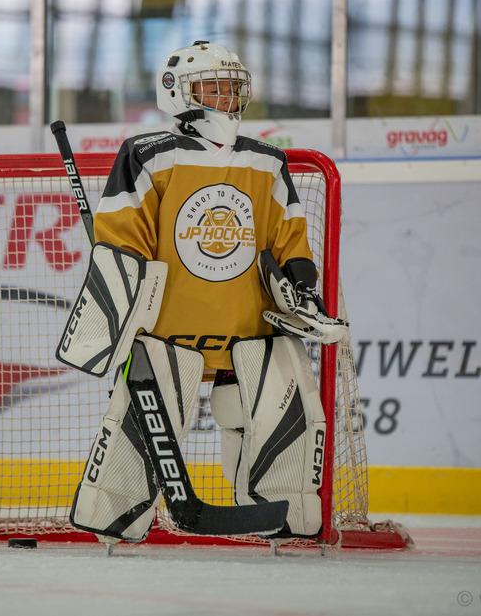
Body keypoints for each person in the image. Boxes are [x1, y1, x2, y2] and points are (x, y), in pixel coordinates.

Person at [57, 41, 347, 546]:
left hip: (249, 333)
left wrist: (303, 291)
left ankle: (286, 522)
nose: (225, 99)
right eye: (212, 88)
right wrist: (119, 311)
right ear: (177, 92)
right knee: (137, 429)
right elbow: (122, 240)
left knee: (286, 417)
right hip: (169, 334)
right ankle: (114, 521)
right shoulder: (149, 154)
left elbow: (290, 240)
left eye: (233, 88)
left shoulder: (267, 162)